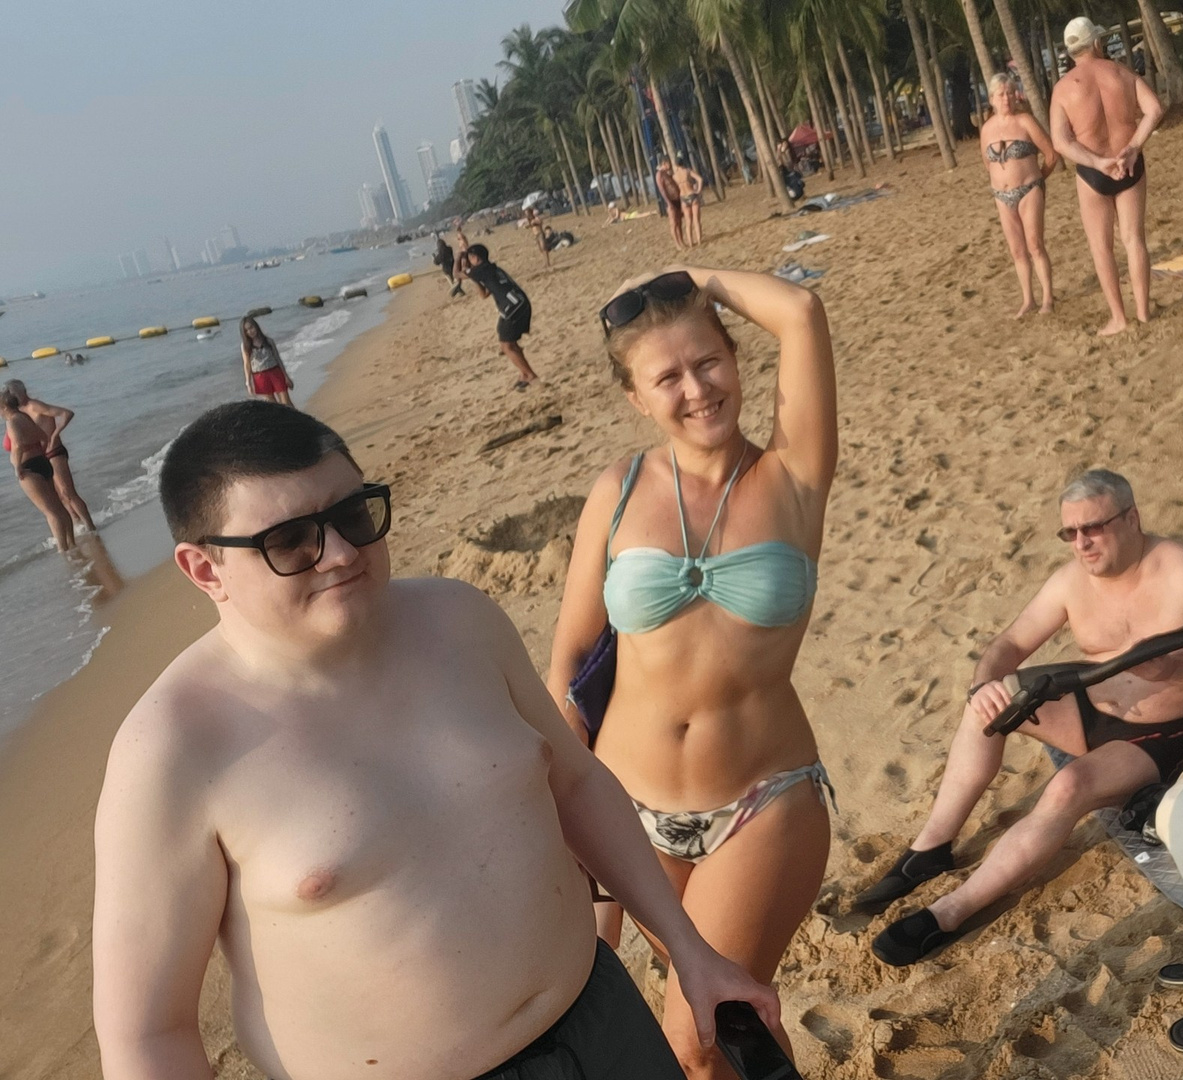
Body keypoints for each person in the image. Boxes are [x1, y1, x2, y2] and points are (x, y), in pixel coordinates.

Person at [92, 401, 778, 1080]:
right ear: (205, 569)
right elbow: (150, 1031)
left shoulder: (460, 619)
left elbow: (575, 784)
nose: (341, 553)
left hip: (605, 1022)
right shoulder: (173, 748)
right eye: (291, 540)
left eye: (353, 514)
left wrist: (687, 949)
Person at [547, 266, 836, 1078]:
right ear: (636, 399)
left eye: (709, 362)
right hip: (629, 812)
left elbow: (801, 310)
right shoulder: (617, 490)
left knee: (697, 1039)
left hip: (760, 802)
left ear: (736, 360)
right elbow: (570, 660)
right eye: (667, 377)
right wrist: (565, 807)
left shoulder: (794, 476)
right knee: (739, 1025)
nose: (697, 389)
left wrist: (697, 277)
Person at [862, 470, 1183, 965]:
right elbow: (1009, 644)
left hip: (1170, 731)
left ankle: (949, 912)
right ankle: (930, 848)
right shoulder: (1072, 580)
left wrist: (1173, 669)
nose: (1081, 544)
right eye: (1069, 533)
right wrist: (982, 687)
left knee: (1068, 787)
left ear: (1132, 519)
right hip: (1090, 709)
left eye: (1093, 528)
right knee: (993, 701)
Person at [1050, 17, 1165, 336]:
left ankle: (1119, 318)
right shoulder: (1122, 73)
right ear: (1097, 43)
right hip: (1129, 163)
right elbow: (1155, 109)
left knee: (1102, 248)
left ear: (1070, 51)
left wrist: (1098, 163)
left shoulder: (1063, 89)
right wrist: (1134, 147)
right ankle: (1143, 313)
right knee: (1134, 240)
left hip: (1093, 172)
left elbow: (1061, 142)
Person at [980, 73, 1059, 318]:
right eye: (1001, 94)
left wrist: (1038, 179)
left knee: (1035, 244)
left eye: (1010, 93)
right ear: (992, 99)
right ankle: (1028, 299)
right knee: (1017, 250)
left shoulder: (1026, 122)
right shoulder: (987, 129)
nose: (1006, 98)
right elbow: (987, 163)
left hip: (1029, 190)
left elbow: (1051, 154)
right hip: (1002, 196)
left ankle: (1047, 298)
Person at [5, 378, 95, 532]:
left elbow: (66, 413)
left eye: (13, 394)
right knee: (60, 497)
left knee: (68, 492)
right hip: (41, 457)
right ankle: (78, 527)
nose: (12, 398)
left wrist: (54, 435)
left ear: (22, 392)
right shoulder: (19, 413)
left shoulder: (34, 405)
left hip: (54, 452)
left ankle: (90, 526)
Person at [1, 388, 72, 552]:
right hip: (41, 461)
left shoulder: (12, 421)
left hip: (28, 467)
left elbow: (18, 444)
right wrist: (40, 451)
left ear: (4, 407)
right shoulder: (24, 417)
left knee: (50, 512)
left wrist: (17, 466)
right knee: (58, 508)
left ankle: (63, 549)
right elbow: (43, 436)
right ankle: (71, 543)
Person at [462, 244, 539, 389]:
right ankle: (524, 374)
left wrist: (459, 260)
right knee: (509, 343)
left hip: (513, 306)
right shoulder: (490, 269)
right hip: (519, 303)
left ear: (475, 258)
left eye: (470, 258)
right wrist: (474, 278)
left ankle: (530, 375)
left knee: (507, 346)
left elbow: (456, 274)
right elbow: (484, 294)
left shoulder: (481, 269)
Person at [238, 316, 294, 406]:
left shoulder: (268, 341)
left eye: (251, 328)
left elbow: (278, 359)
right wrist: (248, 382)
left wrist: (286, 376)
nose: (250, 331)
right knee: (272, 406)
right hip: (260, 376)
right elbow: (247, 364)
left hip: (275, 372)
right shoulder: (245, 346)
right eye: (246, 330)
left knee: (286, 403)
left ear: (256, 326)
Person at [655, 160, 688, 250]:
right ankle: (677, 244)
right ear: (664, 163)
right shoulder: (659, 174)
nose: (669, 165)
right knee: (673, 223)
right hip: (670, 200)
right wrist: (668, 202)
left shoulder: (668, 173)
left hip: (677, 199)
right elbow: (662, 189)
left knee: (679, 222)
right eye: (668, 164)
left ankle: (681, 241)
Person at [677, 158, 707, 247]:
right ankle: (699, 240)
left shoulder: (675, 176)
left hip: (683, 197)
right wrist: (698, 190)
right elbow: (700, 179)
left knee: (688, 222)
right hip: (692, 195)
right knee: (696, 220)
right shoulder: (688, 171)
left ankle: (690, 243)